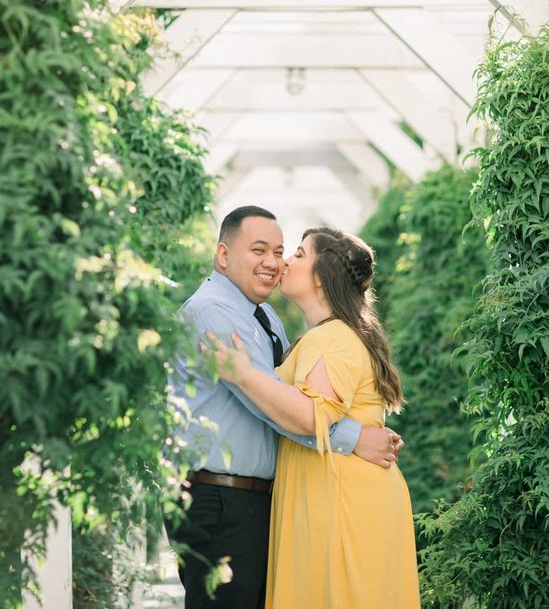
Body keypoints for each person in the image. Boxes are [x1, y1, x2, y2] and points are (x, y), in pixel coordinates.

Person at [167, 207, 404, 609]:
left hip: (259, 500)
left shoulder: (270, 318)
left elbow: (283, 398)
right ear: (222, 255)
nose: (275, 263)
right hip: (220, 496)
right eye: (260, 250)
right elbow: (275, 407)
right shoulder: (214, 312)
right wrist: (354, 437)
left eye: (285, 252)